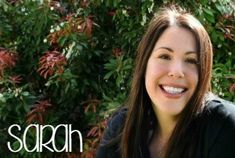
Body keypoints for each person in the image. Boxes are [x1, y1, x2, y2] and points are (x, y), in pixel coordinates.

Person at [95, 5, 235, 158]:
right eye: (164, 56)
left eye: (191, 60)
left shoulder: (224, 127)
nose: (176, 72)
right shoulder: (121, 127)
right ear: (144, 63)